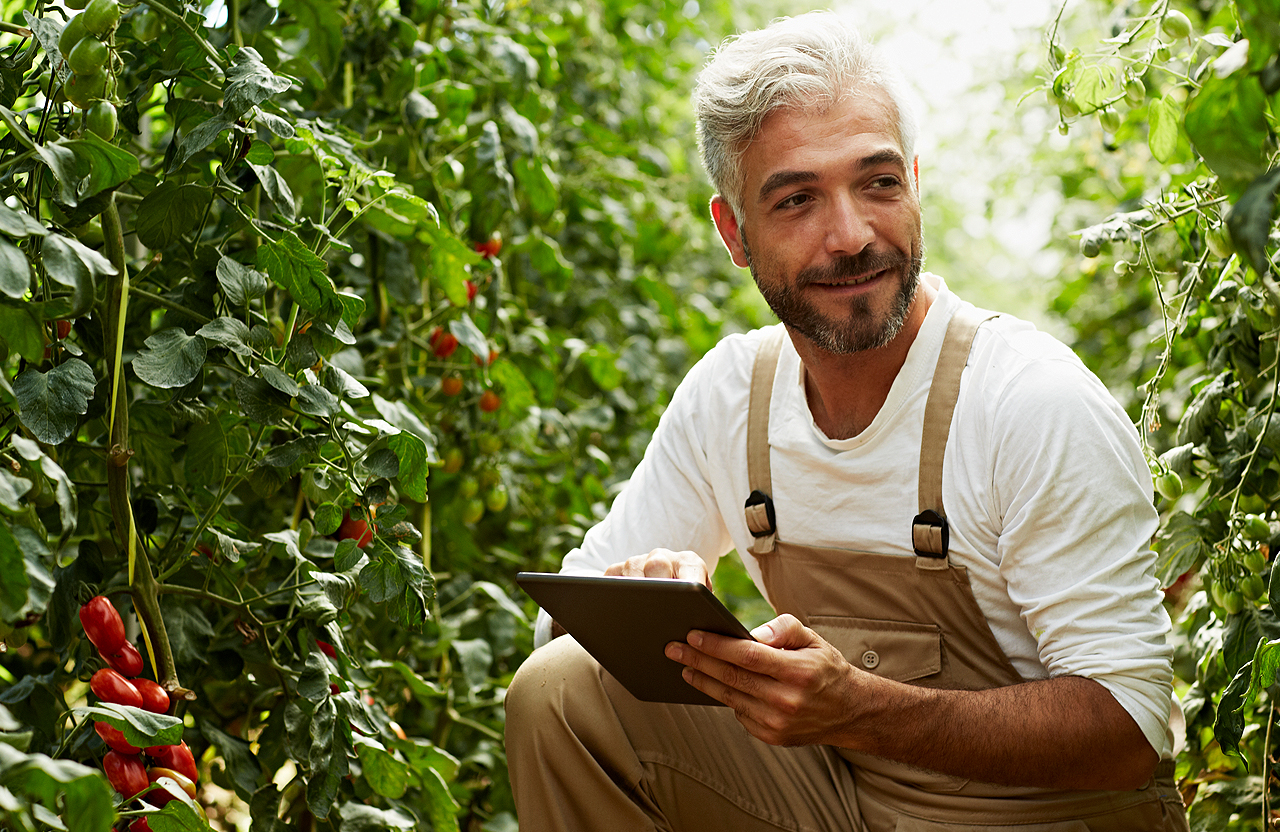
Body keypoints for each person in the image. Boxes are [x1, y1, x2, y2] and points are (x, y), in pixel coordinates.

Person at [504, 10, 1188, 831]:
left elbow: (1131, 728)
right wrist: (639, 592)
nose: (852, 235)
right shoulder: (734, 396)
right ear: (734, 233)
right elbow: (561, 625)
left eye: (878, 183)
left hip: (1045, 820)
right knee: (562, 690)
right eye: (796, 199)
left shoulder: (1028, 402)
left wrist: (859, 709)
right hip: (838, 808)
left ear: (915, 186)